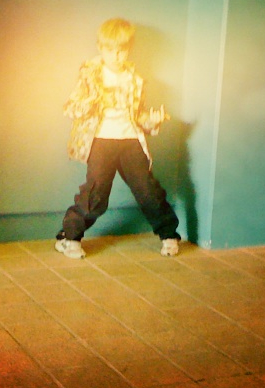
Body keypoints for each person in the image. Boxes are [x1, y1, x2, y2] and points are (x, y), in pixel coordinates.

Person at [55, 17, 181, 259]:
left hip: (130, 141)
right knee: (96, 195)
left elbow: (138, 115)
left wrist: (152, 120)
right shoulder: (90, 76)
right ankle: (69, 237)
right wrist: (94, 100)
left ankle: (169, 235)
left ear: (129, 49)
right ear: (100, 48)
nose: (116, 56)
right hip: (101, 141)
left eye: (122, 50)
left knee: (148, 191)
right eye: (110, 50)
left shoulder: (134, 79)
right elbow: (70, 108)